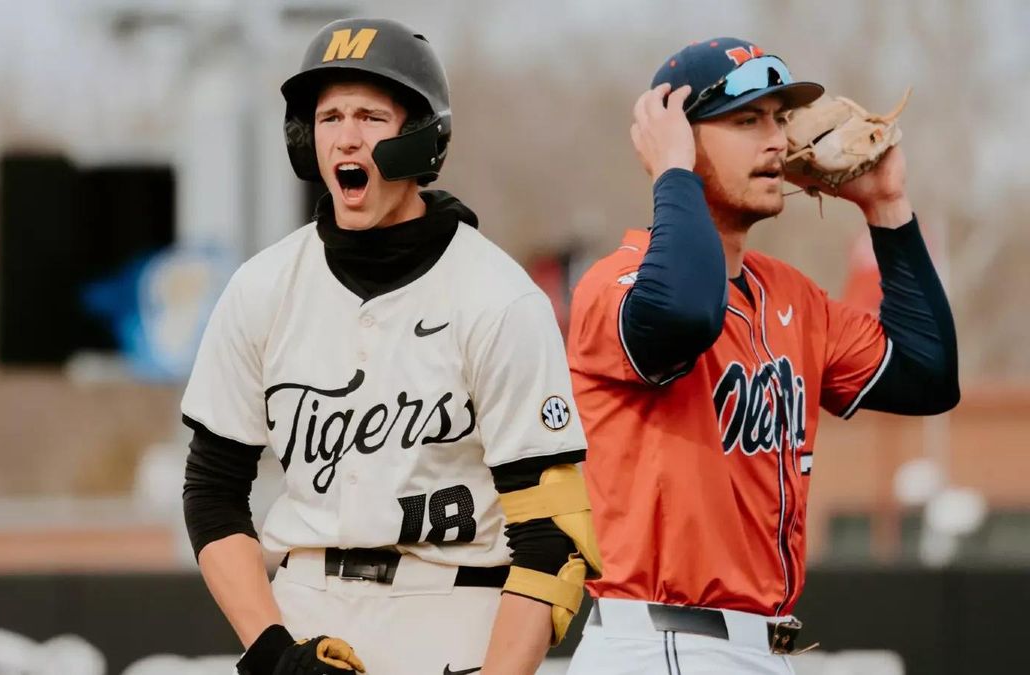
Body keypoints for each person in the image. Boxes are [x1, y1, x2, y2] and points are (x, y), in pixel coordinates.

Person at [181, 18, 600, 675]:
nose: (346, 135)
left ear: (422, 138)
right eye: (329, 116)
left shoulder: (497, 298)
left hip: (453, 619)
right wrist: (271, 651)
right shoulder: (261, 287)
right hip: (302, 615)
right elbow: (212, 491)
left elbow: (552, 538)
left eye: (372, 115)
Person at [566, 37, 958, 674]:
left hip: (762, 645)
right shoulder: (616, 285)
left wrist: (887, 208)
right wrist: (672, 173)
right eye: (747, 120)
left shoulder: (792, 297)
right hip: (661, 641)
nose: (777, 139)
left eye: (779, 118)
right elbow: (686, 312)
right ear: (678, 137)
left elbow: (927, 375)